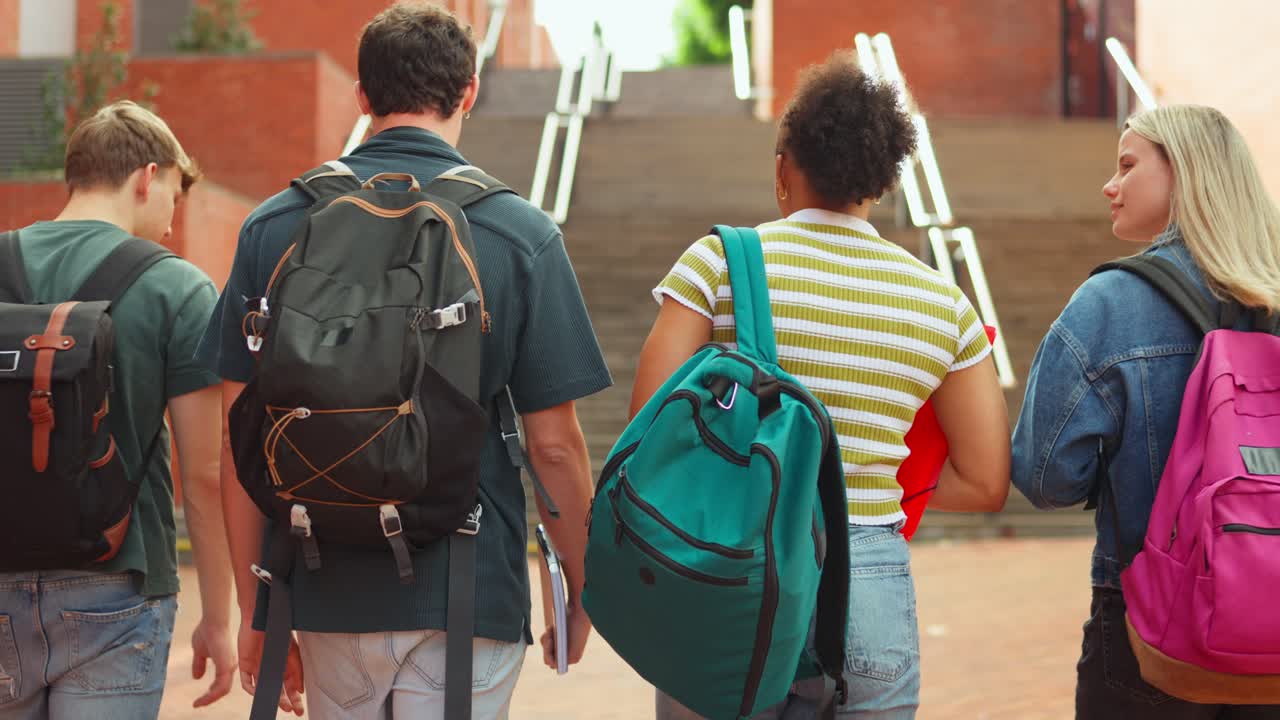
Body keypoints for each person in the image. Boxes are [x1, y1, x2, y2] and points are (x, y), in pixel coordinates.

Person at [196, 2, 611, 718]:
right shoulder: (518, 233)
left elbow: (238, 445)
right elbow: (553, 445)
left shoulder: (274, 227)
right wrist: (581, 585)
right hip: (470, 587)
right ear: (470, 92)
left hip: (323, 589)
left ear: (362, 96)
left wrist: (262, 609)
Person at [633, 52, 1011, 719]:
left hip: (730, 569)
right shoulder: (942, 304)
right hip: (867, 580)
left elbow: (648, 428)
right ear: (884, 180)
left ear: (784, 167)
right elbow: (985, 480)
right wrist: (874, 477)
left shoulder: (718, 262)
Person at [1011, 104, 1280, 719]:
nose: (1110, 185)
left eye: (1127, 165)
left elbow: (1046, 480)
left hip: (1151, 621)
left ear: (1185, 173)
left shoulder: (1111, 303)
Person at [0, 100, 235, 718]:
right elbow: (205, 478)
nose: (168, 225)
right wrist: (218, 615)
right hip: (119, 588)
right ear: (146, 178)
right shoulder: (177, 287)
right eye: (174, 201)